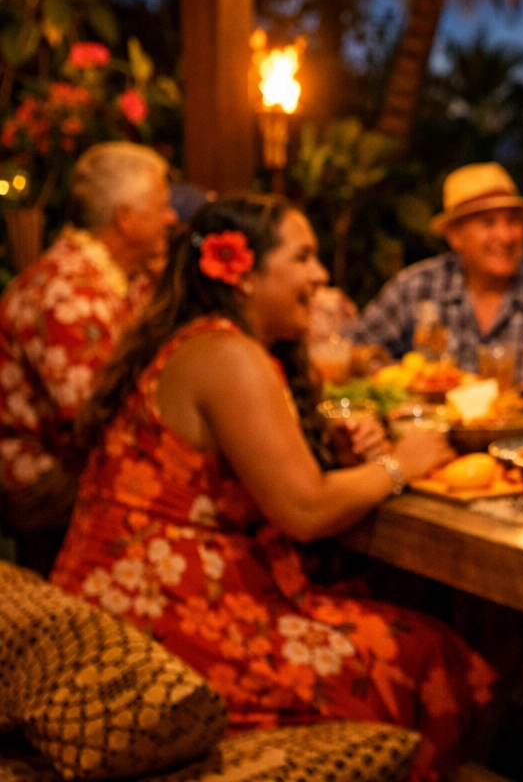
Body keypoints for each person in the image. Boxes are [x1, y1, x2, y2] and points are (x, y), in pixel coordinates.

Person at [52, 196, 492, 782]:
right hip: (166, 632)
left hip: (131, 610)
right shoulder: (227, 354)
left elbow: (248, 478)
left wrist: (336, 455)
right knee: (425, 653)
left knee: (395, 617)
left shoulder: (202, 341)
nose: (321, 276)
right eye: (304, 257)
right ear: (243, 272)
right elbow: (306, 510)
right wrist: (401, 466)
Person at [0, 142, 175, 573]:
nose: (171, 217)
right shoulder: (66, 291)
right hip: (37, 479)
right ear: (125, 217)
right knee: (177, 492)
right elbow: (97, 420)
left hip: (74, 458)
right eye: (161, 205)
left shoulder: (114, 278)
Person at [348, 163, 523, 377]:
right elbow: (352, 348)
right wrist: (389, 372)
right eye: (488, 223)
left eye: (513, 221)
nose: (505, 237)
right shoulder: (416, 286)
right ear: (455, 235)